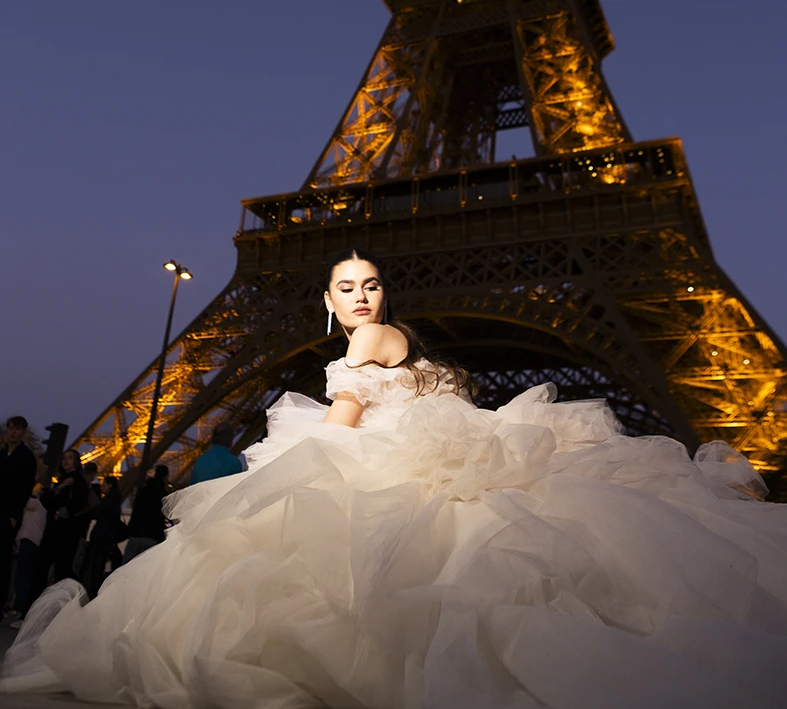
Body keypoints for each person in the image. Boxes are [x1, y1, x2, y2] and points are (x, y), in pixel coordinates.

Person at [3, 247, 787, 709]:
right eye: (346, 287)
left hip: (386, 457)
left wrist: (263, 477)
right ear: (324, 297)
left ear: (383, 295)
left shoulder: (369, 339)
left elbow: (343, 419)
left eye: (370, 283)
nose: (361, 295)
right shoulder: (394, 339)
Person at [35, 450, 91, 590]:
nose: (66, 460)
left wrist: (61, 513)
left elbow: (80, 502)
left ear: (76, 462)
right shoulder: (61, 480)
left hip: (66, 532)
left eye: (70, 458)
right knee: (46, 568)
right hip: (55, 530)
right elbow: (46, 501)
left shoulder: (78, 480)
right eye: (64, 458)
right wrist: (60, 487)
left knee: (59, 568)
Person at [0, 417, 37, 614]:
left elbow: (24, 488)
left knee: (4, 561)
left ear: (23, 432)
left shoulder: (26, 457)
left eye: (18, 429)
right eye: (11, 428)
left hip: (8, 515)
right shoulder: (2, 453)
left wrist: (14, 515)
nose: (13, 432)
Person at [9, 490, 47, 626]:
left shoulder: (36, 504)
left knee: (22, 575)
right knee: (23, 574)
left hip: (29, 541)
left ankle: (18, 606)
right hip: (33, 542)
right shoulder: (42, 510)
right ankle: (18, 605)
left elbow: (22, 499)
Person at [85, 476, 124, 599]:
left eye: (104, 484)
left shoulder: (107, 501)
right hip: (107, 538)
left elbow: (96, 513)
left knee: (95, 566)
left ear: (110, 485)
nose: (102, 486)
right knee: (99, 565)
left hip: (100, 537)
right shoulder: (115, 501)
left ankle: (92, 592)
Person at [122, 464, 169, 563]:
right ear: (165, 477)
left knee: (124, 571)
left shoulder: (142, 491)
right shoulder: (163, 494)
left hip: (135, 534)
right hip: (151, 536)